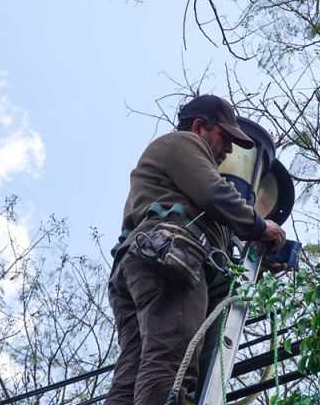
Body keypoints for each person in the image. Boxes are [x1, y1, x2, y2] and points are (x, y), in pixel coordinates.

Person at [105, 94, 286, 405]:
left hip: (138, 265)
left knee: (134, 371)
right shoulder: (183, 143)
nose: (228, 150)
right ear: (201, 126)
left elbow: (209, 213)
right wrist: (259, 226)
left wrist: (254, 254)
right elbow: (214, 194)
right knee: (172, 361)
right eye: (225, 138)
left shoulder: (169, 176)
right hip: (171, 259)